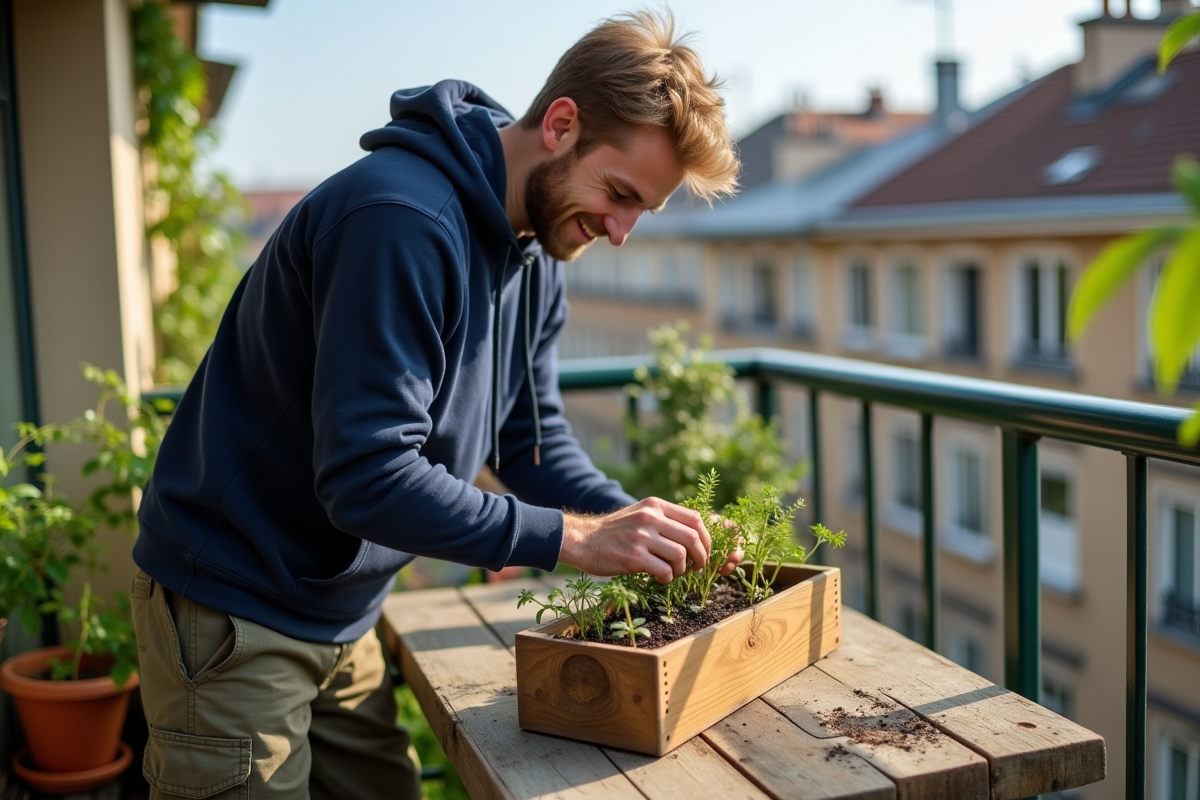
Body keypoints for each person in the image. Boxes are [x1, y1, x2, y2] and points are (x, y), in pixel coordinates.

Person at [130, 9, 739, 799]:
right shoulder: (400, 221)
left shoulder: (542, 243)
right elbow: (367, 477)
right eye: (619, 193)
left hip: (340, 610)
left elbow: (532, 443)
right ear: (560, 125)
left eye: (640, 212)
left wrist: (640, 528)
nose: (620, 232)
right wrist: (574, 540)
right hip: (234, 607)